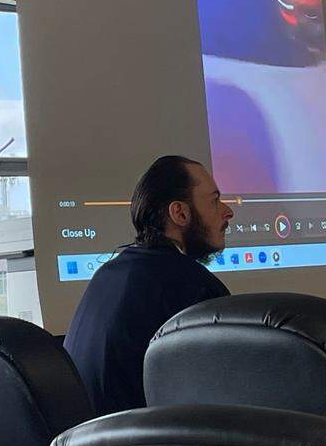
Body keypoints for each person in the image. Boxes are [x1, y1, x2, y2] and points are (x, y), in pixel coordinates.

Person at [64, 155, 234, 415]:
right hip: (144, 439)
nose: (228, 211)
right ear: (180, 213)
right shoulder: (195, 288)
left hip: (89, 439)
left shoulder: (106, 275)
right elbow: (225, 398)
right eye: (214, 201)